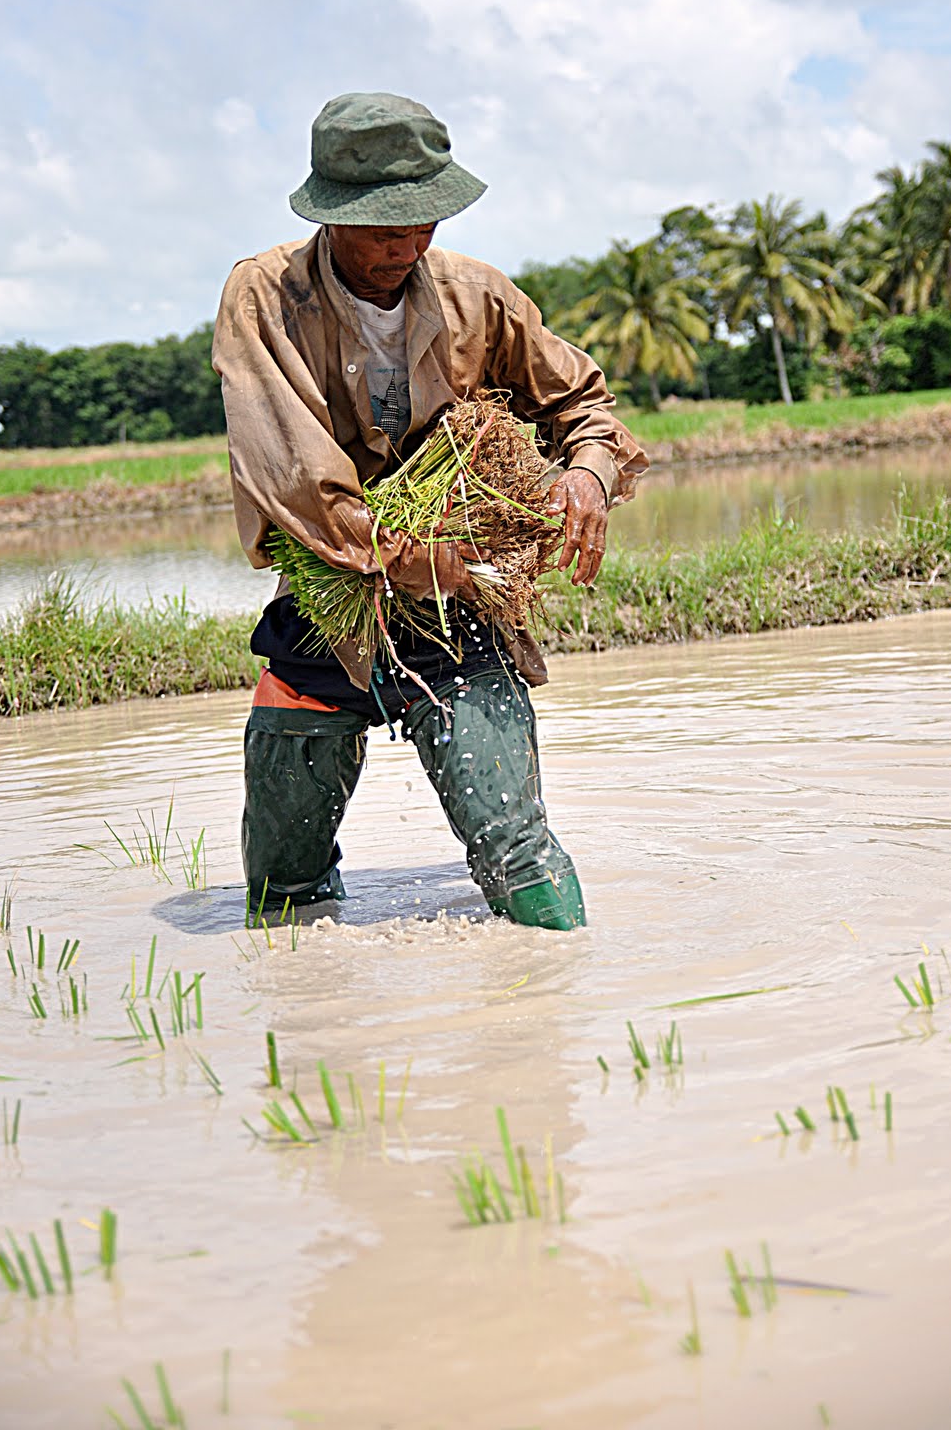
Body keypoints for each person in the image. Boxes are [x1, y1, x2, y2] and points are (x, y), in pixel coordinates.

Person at [212, 92, 648, 931]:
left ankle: (563, 975)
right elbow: (300, 481)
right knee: (281, 887)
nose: (407, 248)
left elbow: (583, 406)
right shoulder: (264, 297)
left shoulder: (474, 295)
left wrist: (588, 477)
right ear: (333, 215)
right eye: (385, 230)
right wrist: (425, 560)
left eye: (423, 226)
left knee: (515, 849)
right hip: (326, 606)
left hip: (458, 611)